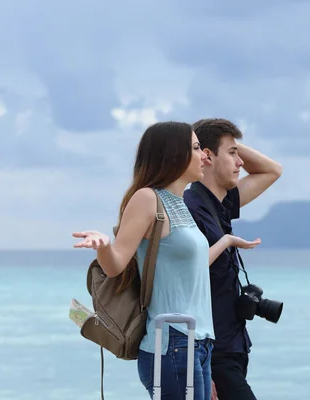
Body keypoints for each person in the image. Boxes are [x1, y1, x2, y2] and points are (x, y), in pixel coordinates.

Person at [72, 121, 225, 400]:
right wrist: (105, 245)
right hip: (173, 342)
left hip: (199, 343)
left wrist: (226, 241)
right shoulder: (147, 199)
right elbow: (116, 263)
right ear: (173, 154)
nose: (204, 155)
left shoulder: (181, 203)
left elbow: (192, 269)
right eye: (194, 148)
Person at [183, 118, 283, 400]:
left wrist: (230, 143)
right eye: (232, 153)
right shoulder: (191, 210)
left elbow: (272, 171)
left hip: (231, 347)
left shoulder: (220, 204)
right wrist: (200, 370)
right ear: (208, 157)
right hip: (212, 355)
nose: (240, 162)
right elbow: (182, 285)